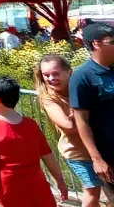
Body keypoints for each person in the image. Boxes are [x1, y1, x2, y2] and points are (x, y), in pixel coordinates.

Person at [0, 74, 67, 207]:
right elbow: (47, 154)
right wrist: (59, 179)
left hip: (8, 185)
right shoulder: (30, 124)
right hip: (37, 182)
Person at [35, 54, 102, 207]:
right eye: (46, 75)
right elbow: (69, 127)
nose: (51, 78)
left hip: (99, 148)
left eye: (56, 73)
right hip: (77, 153)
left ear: (69, 72)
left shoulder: (82, 87)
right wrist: (80, 113)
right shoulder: (49, 99)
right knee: (92, 190)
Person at [70, 22, 114, 201]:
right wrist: (97, 159)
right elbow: (82, 121)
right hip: (109, 154)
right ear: (96, 44)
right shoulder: (82, 76)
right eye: (112, 42)